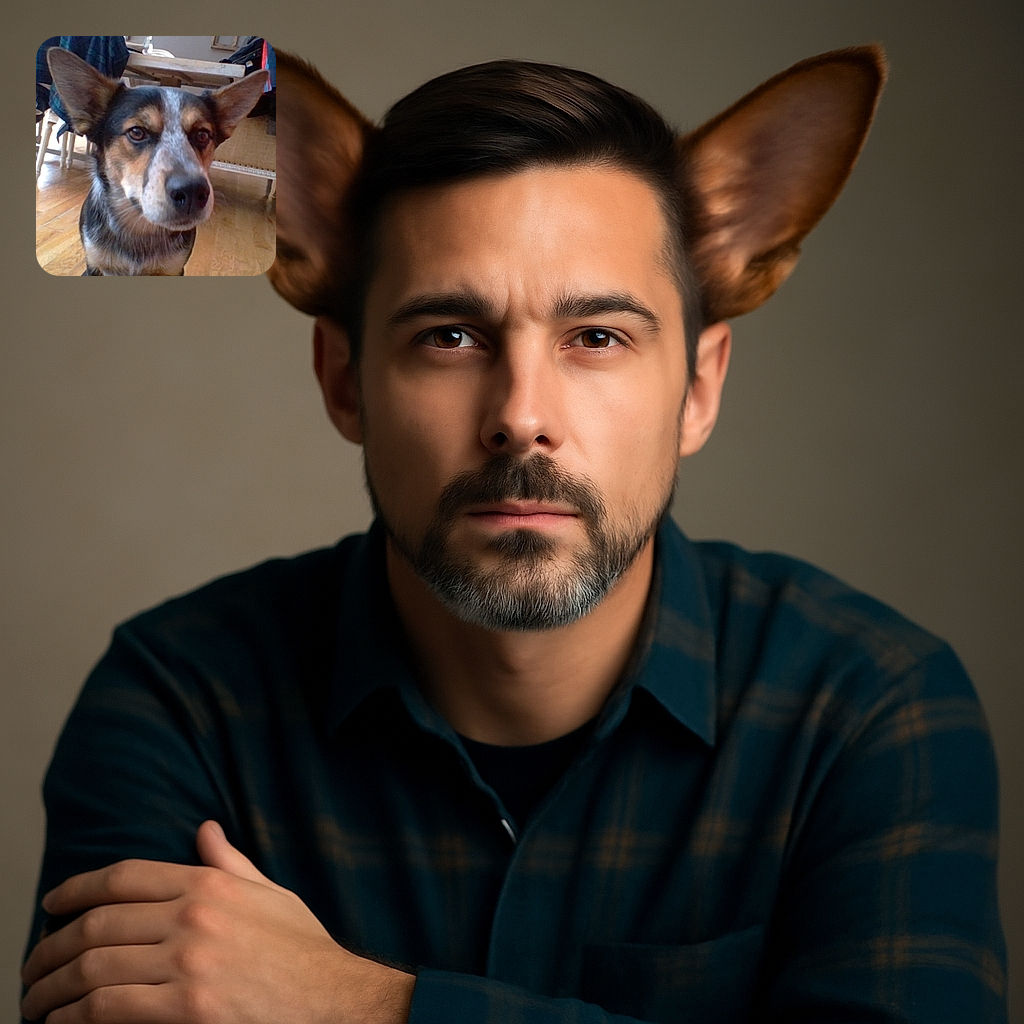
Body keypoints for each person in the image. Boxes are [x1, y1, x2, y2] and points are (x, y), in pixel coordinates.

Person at [21, 47, 1006, 1024]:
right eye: (449, 334)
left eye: (597, 336)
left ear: (699, 389)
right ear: (343, 380)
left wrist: (361, 1004)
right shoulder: (176, 700)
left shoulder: (871, 706)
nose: (520, 414)